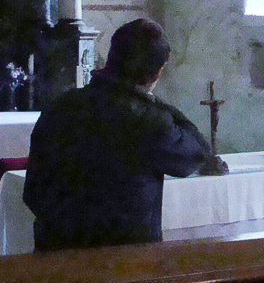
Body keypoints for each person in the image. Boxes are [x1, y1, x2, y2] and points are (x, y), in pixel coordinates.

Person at [23, 18, 211, 250]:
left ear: (111, 57)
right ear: (155, 74)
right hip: (126, 259)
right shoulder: (149, 119)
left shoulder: (60, 106)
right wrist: (152, 101)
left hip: (56, 251)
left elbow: (33, 192)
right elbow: (196, 152)